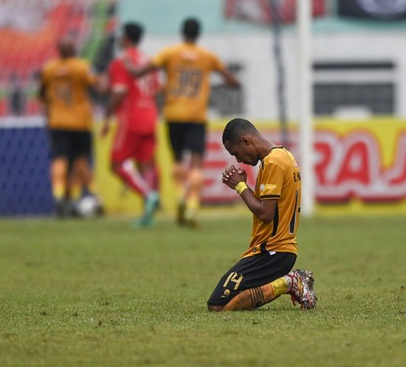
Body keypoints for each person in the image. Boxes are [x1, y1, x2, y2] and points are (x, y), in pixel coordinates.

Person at [127, 17, 240, 228]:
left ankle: (180, 194)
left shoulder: (170, 53)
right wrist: (229, 82)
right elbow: (233, 81)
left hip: (174, 114)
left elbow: (142, 71)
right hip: (197, 116)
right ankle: (192, 205)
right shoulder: (207, 56)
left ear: (182, 32)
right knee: (196, 162)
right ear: (198, 34)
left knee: (178, 160)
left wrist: (130, 68)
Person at [207, 118, 317, 311]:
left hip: (272, 252)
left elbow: (266, 213)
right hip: (277, 251)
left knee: (217, 305)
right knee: (225, 303)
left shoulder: (273, 162)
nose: (238, 160)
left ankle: (290, 282)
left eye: (235, 153)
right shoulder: (284, 155)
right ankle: (290, 282)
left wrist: (240, 186)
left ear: (245, 141)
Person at [102, 22, 160, 228]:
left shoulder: (122, 61)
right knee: (146, 164)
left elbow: (119, 92)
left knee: (117, 164)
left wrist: (107, 118)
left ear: (125, 38)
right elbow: (156, 89)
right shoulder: (148, 61)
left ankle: (148, 195)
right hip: (150, 115)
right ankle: (148, 215)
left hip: (131, 118)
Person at [39, 37, 102, 217]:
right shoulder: (82, 67)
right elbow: (97, 85)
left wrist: (47, 115)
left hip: (58, 121)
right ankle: (96, 197)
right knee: (81, 161)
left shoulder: (49, 69)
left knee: (60, 160)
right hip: (80, 122)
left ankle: (59, 197)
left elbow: (42, 94)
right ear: (74, 50)